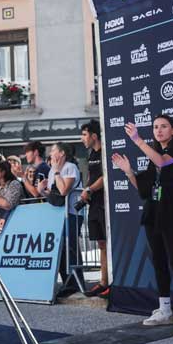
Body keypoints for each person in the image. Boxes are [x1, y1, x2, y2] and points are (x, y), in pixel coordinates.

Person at [112, 114, 173, 334]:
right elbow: (143, 190)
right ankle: (165, 310)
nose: (159, 130)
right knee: (159, 261)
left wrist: (137, 140)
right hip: (153, 213)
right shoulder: (154, 156)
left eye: (164, 126)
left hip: (172, 212)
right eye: (155, 127)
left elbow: (163, 162)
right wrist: (128, 171)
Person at [39, 142, 84, 295]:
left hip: (72, 213)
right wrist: (42, 191)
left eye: (53, 151)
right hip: (58, 214)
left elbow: (64, 190)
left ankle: (76, 283)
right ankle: (67, 281)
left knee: (70, 247)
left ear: (62, 153)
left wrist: (57, 172)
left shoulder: (70, 167)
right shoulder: (53, 169)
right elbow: (55, 195)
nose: (50, 154)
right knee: (61, 248)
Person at [80, 120, 109, 297]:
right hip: (94, 204)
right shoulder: (91, 154)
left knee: (107, 243)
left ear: (94, 136)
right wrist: (87, 190)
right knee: (100, 243)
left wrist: (89, 189)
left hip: (104, 204)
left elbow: (105, 176)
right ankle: (103, 282)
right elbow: (92, 177)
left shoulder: (104, 152)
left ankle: (109, 282)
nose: (82, 139)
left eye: (84, 135)